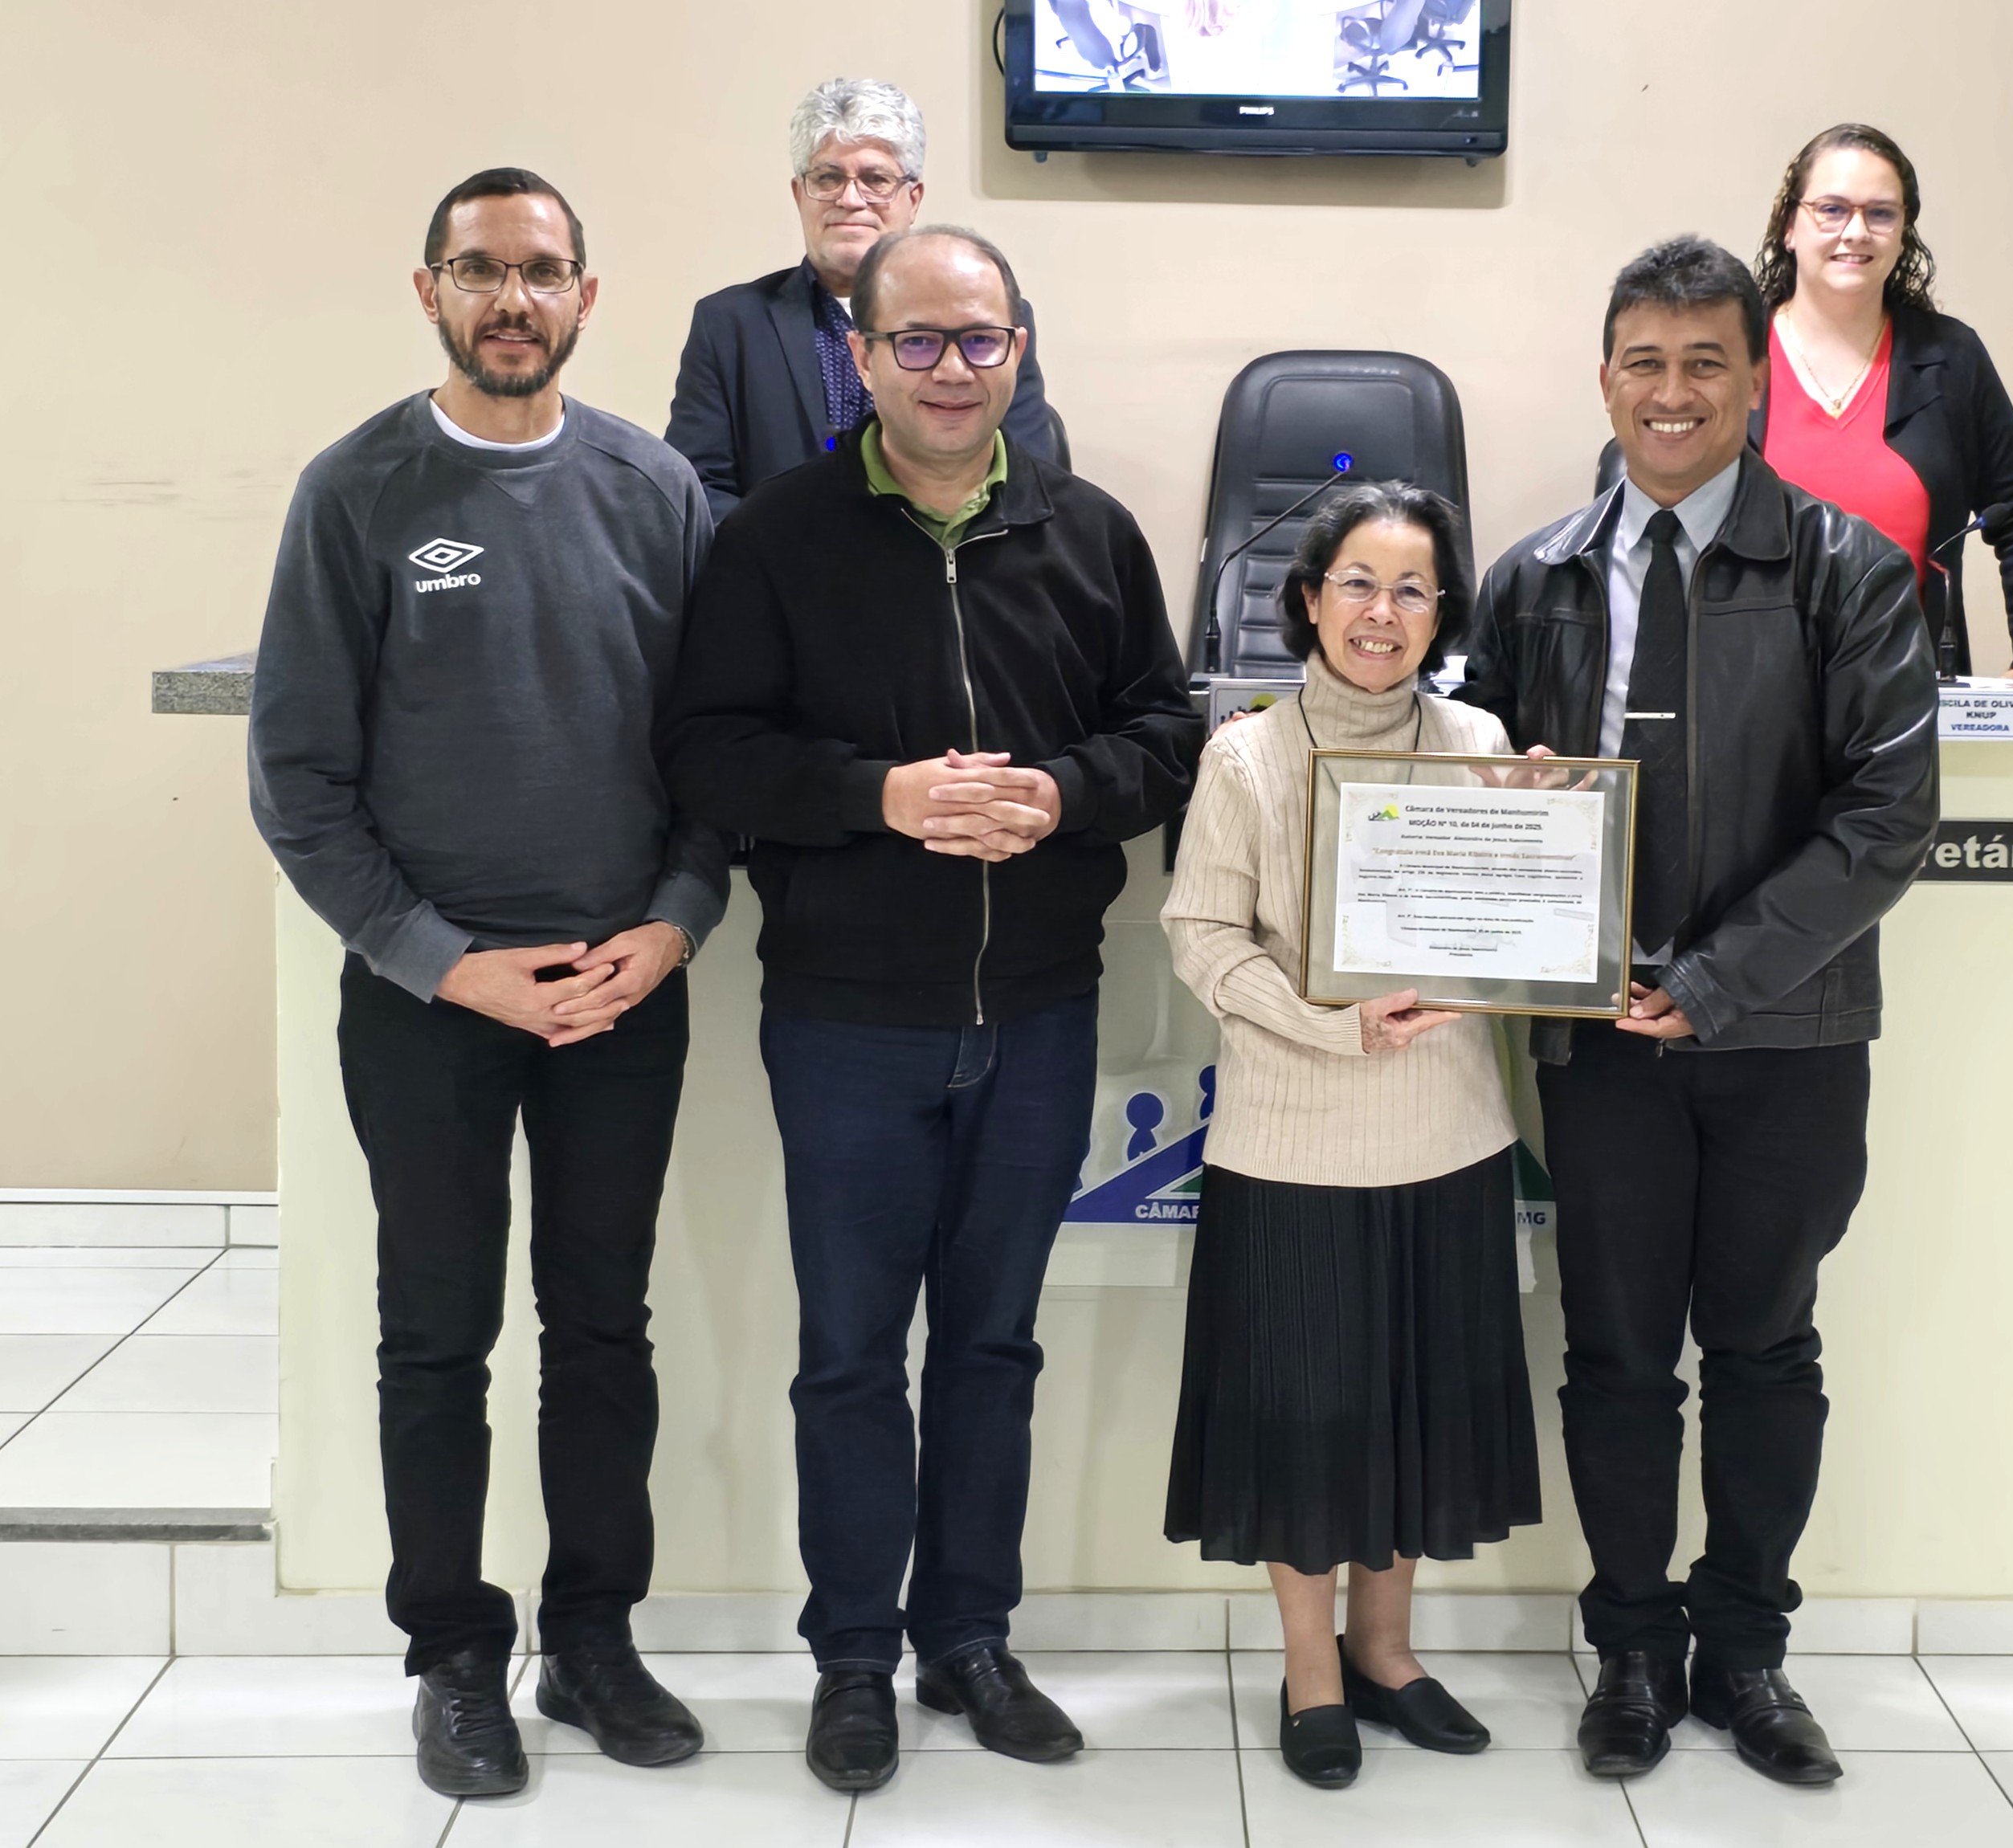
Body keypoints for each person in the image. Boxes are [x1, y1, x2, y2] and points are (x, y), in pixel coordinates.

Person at [657, 224, 1201, 1793]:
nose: (950, 369)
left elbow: (1162, 734)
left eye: (979, 339)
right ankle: (850, 1659)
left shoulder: (1092, 535)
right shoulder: (775, 538)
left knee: (991, 1348)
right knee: (847, 1356)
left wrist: (1062, 790)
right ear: (858, 356)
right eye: (917, 342)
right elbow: (707, 752)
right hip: (846, 1019)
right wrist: (878, 796)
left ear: (1020, 345)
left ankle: (967, 1638)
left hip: (1037, 1013)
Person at [247, 168, 727, 1800]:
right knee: (433, 1337)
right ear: (429, 290)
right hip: (428, 1003)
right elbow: (299, 778)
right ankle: (454, 1653)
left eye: (540, 272)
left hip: (618, 990)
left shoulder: (656, 487)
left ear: (588, 295)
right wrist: (448, 965)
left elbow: (709, 753)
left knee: (601, 1328)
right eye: (479, 270)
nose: (509, 298)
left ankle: (592, 1637)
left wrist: (668, 927)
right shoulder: (357, 489)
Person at [1457, 235, 1938, 1788]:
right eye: (1644, 362)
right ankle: (1632, 1656)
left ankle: (1746, 1659)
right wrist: (1489, 798)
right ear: (1604, 377)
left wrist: (1714, 982)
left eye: (1705, 363)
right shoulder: (1530, 579)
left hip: (1784, 1040)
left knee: (1762, 1350)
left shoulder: (1849, 569)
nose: (1672, 393)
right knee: (1612, 1360)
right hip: (1595, 1045)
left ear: (1752, 382)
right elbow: (1463, 790)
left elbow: (1884, 819)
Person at [1161, 483, 1545, 1789]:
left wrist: (1551, 836)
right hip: (1292, 1140)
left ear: (1444, 613)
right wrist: (1332, 1025)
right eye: (1358, 584)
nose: (1383, 613)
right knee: (1308, 1417)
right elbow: (1200, 939)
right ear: (1310, 596)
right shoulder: (1245, 755)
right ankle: (1311, 1668)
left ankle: (1388, 1652)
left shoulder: (1482, 738)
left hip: (1444, 1130)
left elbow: (1525, 938)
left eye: (1413, 589)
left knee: (1419, 1408)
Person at [1753, 122, 2013, 687]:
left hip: (1906, 702)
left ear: (1903, 234)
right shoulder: (1731, 354)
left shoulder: (1950, 357)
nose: (1856, 231)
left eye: (1881, 214)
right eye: (1831, 209)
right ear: (1789, 227)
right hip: (1746, 696)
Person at [664, 76, 1055, 518]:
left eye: (875, 179)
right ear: (799, 195)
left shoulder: (990, 323)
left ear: (914, 199)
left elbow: (1030, 477)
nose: (850, 199)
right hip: (786, 574)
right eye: (828, 177)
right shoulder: (729, 324)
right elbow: (695, 490)